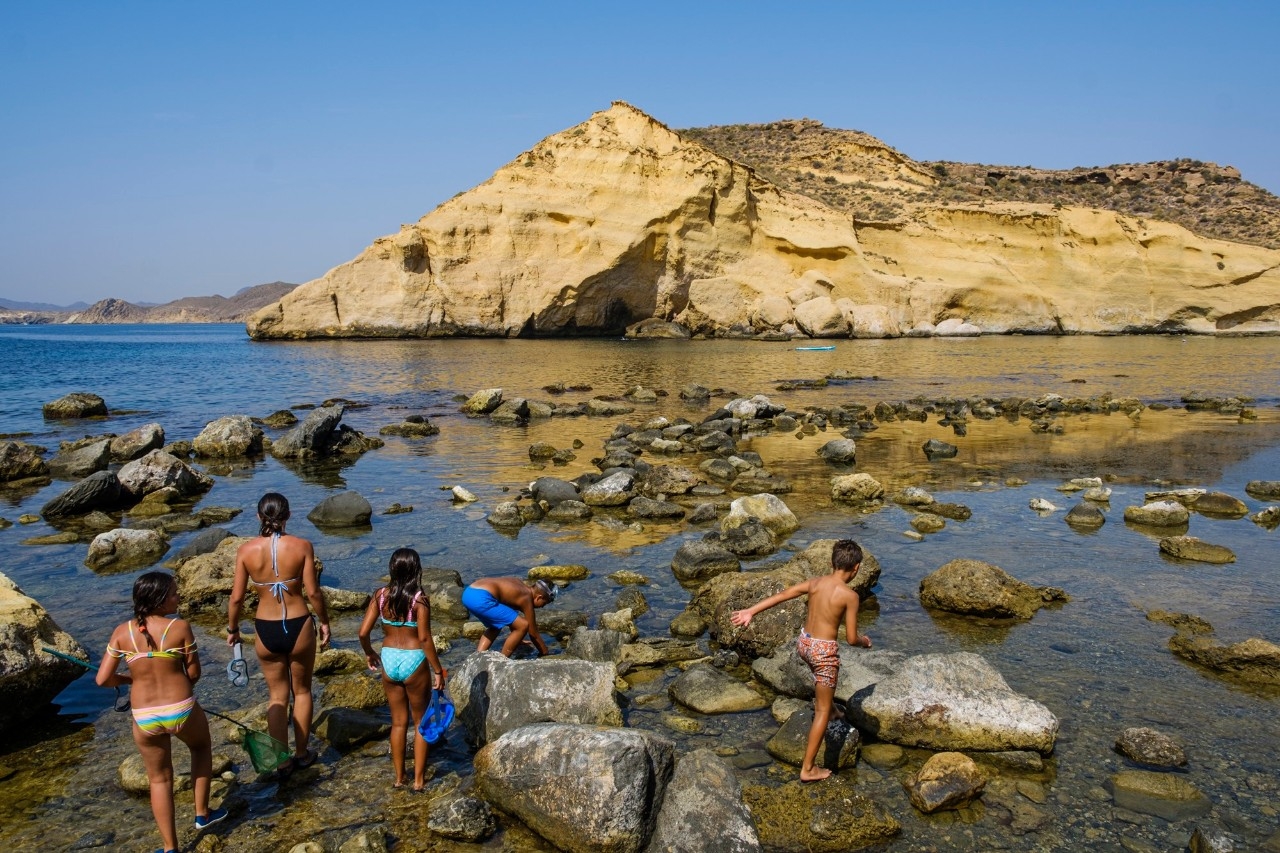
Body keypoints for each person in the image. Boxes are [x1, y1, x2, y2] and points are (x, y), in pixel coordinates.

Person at [97, 571, 227, 853]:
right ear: (158, 600)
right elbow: (193, 673)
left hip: (144, 716)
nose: (178, 597)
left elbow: (103, 679)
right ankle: (202, 813)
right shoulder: (179, 628)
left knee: (159, 779)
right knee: (201, 748)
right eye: (173, 594)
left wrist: (129, 679)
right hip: (180, 707)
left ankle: (170, 848)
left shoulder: (122, 632)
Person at [730, 539, 872, 782]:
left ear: (832, 562)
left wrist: (750, 611)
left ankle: (836, 711)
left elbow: (785, 594)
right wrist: (864, 641)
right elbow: (849, 638)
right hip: (823, 652)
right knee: (822, 710)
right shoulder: (850, 596)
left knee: (825, 692)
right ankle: (808, 769)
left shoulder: (816, 583)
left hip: (804, 644)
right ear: (856, 568)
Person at [228, 492, 331, 774]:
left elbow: (236, 598)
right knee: (303, 690)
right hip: (298, 624)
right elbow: (313, 592)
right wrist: (324, 622)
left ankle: (282, 760)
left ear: (259, 516)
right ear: (288, 516)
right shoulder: (302, 546)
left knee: (277, 696)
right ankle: (302, 753)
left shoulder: (246, 551)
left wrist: (233, 629)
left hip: (265, 627)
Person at [357, 548, 446, 791]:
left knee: (398, 723)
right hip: (414, 660)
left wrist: (369, 652)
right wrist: (438, 670)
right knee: (420, 723)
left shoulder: (380, 596)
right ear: (416, 570)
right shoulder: (419, 600)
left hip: (389, 659)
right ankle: (418, 781)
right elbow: (425, 639)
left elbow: (363, 633)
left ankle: (399, 778)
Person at [460, 576, 556, 657]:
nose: (543, 606)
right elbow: (533, 633)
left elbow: (510, 615)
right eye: (545, 603)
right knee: (523, 625)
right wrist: (545, 653)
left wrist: (518, 639)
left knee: (495, 626)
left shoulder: (518, 584)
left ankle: (478, 655)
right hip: (481, 598)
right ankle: (502, 661)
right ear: (539, 597)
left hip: (468, 592)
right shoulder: (526, 597)